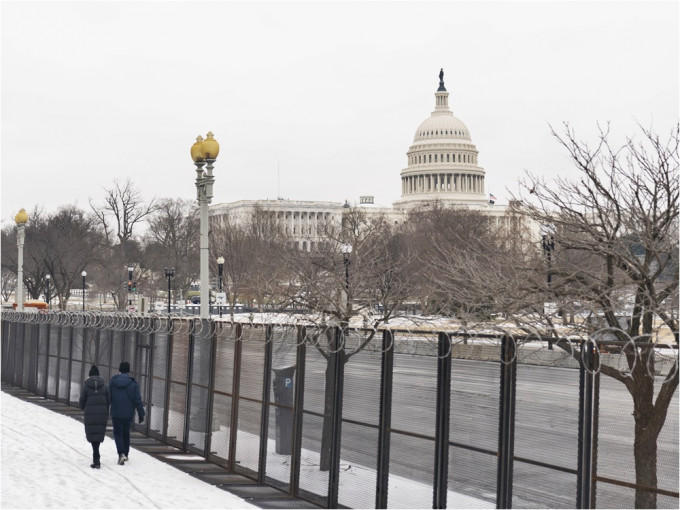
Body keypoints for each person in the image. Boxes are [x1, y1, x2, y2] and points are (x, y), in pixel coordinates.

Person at [109, 361, 145, 465]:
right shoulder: (133, 384)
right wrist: (141, 414)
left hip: (116, 413)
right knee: (126, 433)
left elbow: (108, 397)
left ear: (119, 370)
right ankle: (126, 454)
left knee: (118, 433)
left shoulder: (113, 382)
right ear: (128, 371)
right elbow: (138, 400)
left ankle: (121, 454)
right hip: (128, 414)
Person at [79, 365, 110, 469]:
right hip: (102, 414)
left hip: (90, 414)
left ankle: (96, 458)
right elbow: (109, 400)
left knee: (92, 434)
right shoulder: (105, 386)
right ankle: (96, 456)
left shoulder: (86, 386)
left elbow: (81, 402)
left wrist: (85, 408)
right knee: (98, 433)